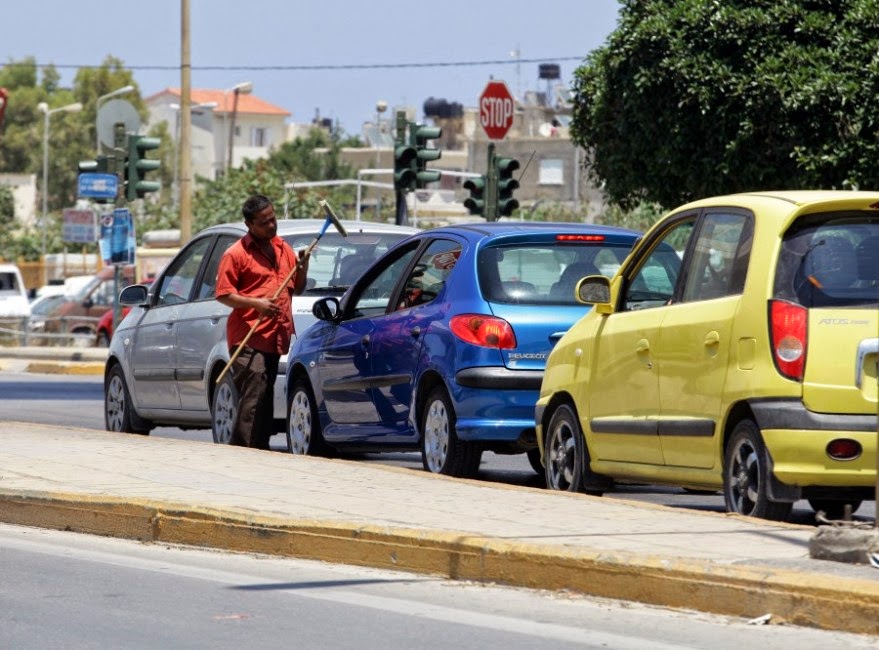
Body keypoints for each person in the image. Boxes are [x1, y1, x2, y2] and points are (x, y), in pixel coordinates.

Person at [215, 194, 309, 449]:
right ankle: (243, 448)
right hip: (247, 336)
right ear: (250, 225)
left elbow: (297, 288)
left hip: (274, 336)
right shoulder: (236, 254)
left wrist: (304, 266)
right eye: (264, 222)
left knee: (265, 394)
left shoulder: (284, 249)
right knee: (255, 383)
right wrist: (257, 305)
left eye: (273, 218)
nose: (271, 225)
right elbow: (224, 294)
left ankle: (258, 448)